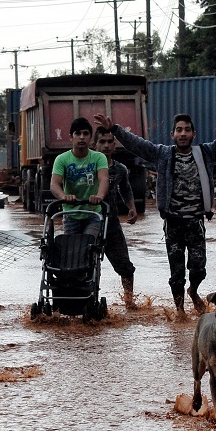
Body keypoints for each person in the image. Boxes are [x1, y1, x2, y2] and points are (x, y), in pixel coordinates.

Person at [93, 101, 216, 318]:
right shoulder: (163, 154)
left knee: (198, 269)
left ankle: (193, 291)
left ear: (194, 133)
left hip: (195, 222)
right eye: (179, 130)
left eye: (187, 130)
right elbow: (137, 144)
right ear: (172, 134)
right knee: (176, 273)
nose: (183, 134)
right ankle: (180, 311)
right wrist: (115, 130)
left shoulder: (206, 152)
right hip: (173, 223)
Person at [94, 127, 138, 310]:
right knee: (84, 267)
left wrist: (132, 209)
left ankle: (129, 302)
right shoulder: (87, 167)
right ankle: (87, 300)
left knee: (126, 267)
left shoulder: (120, 169)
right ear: (94, 144)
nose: (106, 146)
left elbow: (125, 189)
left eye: (109, 142)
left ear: (114, 145)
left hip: (111, 225)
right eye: (102, 142)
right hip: (87, 222)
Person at [49, 117, 109, 237]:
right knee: (72, 250)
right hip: (71, 214)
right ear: (71, 137)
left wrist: (99, 196)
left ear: (91, 137)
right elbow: (54, 184)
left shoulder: (99, 157)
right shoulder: (62, 159)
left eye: (85, 134)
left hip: (93, 213)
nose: (82, 137)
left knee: (89, 245)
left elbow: (104, 179)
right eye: (78, 133)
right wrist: (64, 196)